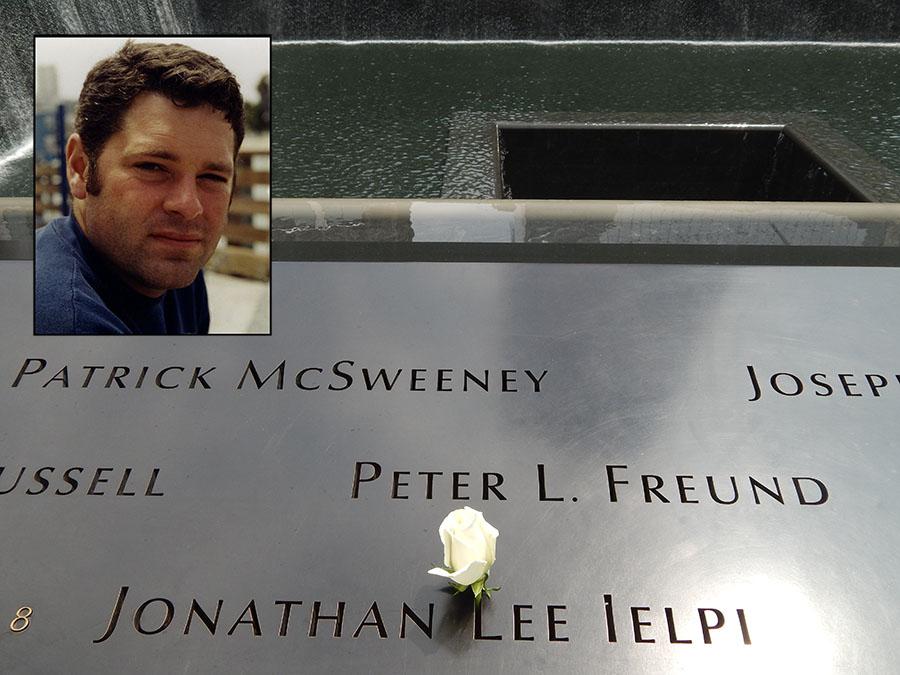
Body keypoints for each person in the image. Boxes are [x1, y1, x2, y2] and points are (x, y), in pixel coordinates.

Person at [35, 40, 245, 334]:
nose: (188, 206)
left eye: (212, 177)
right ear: (80, 167)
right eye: (152, 167)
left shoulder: (174, 262)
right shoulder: (66, 325)